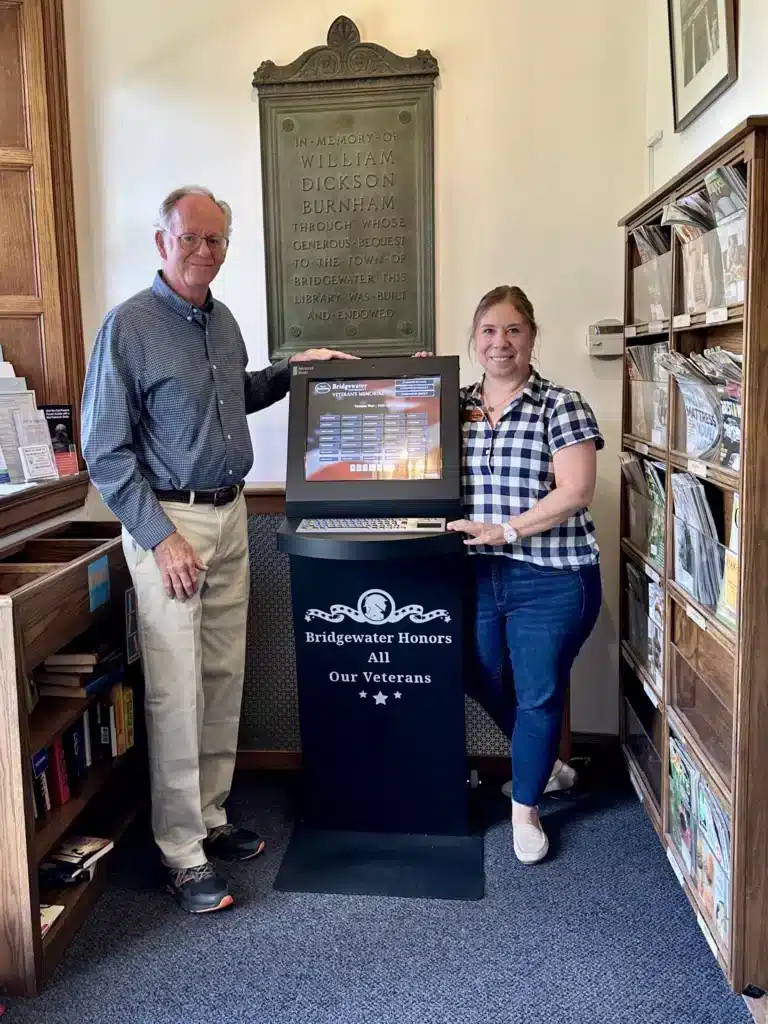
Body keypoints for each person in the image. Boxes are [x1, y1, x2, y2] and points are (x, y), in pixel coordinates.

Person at [81, 185, 357, 913]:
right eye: (191, 238)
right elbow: (102, 450)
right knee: (176, 691)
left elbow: (233, 392)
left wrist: (297, 369)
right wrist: (161, 537)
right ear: (160, 240)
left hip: (229, 517)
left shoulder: (222, 320)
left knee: (222, 677)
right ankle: (179, 852)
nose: (204, 251)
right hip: (169, 526)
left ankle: (207, 817)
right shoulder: (128, 327)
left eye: (216, 240)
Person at [433, 285, 603, 865]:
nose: (500, 342)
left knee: (538, 690)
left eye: (513, 330)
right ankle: (549, 766)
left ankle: (525, 809)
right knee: (476, 671)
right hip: (478, 573)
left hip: (552, 574)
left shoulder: (561, 404)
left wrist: (507, 530)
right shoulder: (450, 405)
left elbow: (576, 491)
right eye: (488, 331)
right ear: (474, 340)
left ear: (532, 337)